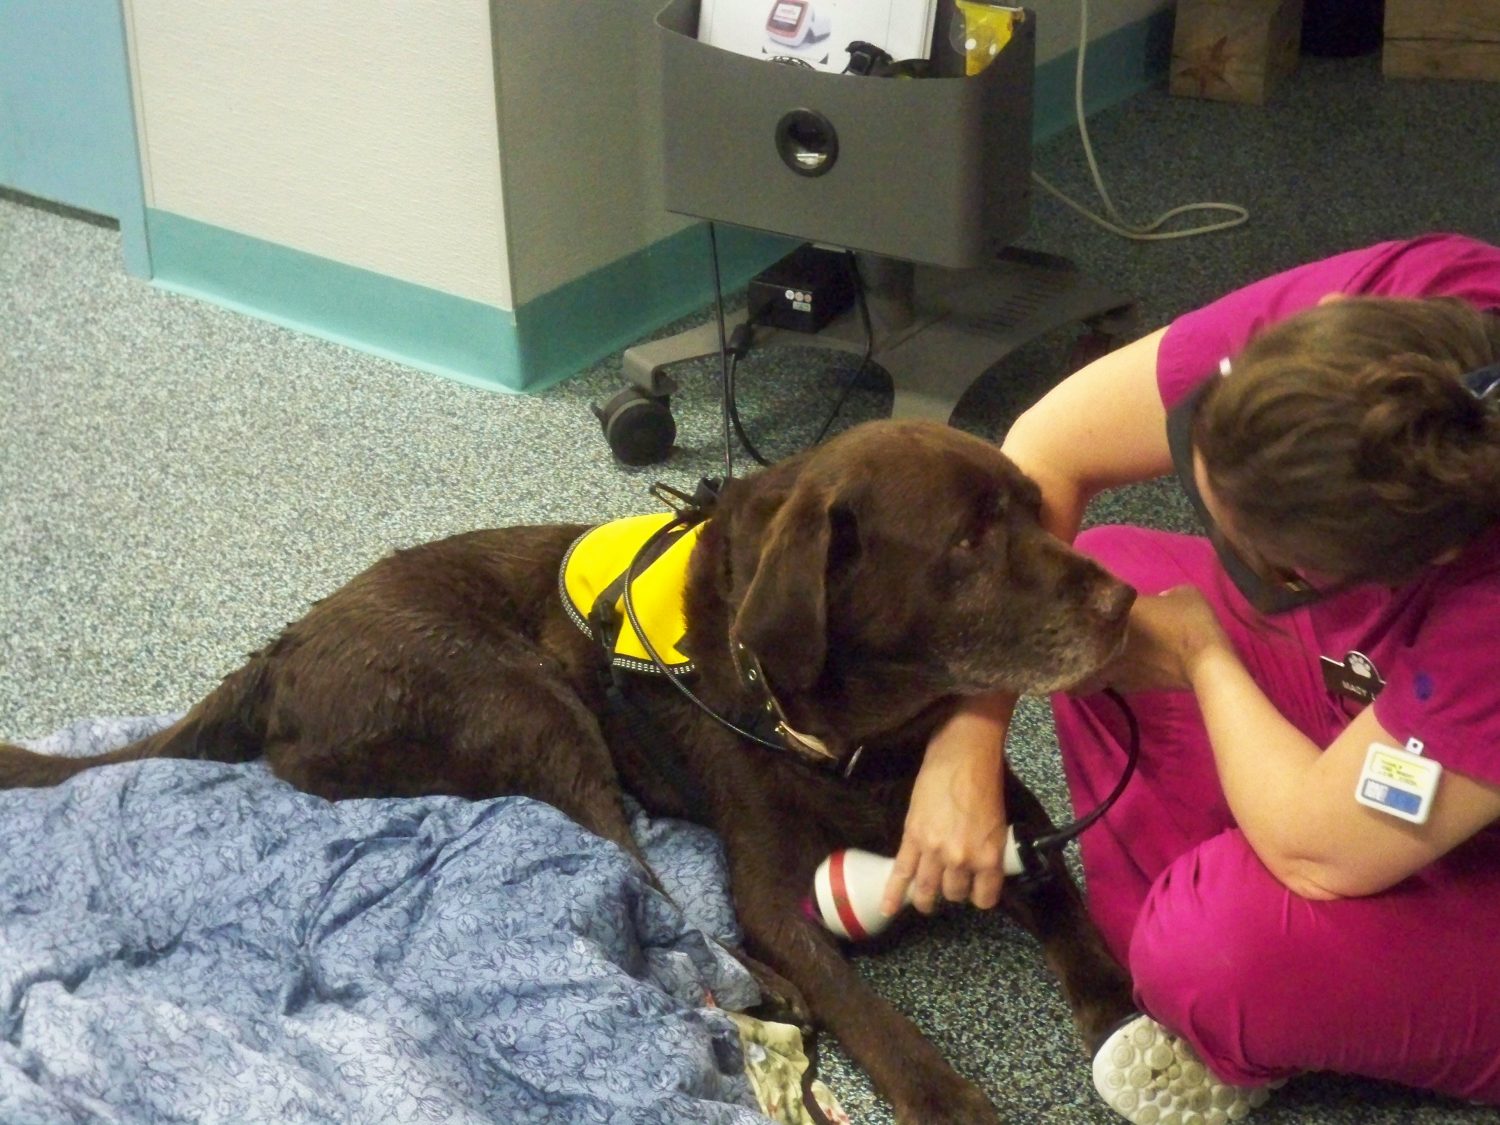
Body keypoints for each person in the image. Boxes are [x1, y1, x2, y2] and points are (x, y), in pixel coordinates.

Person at [879, 232, 1500, 1120]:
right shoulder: (1389, 316)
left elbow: (1322, 853)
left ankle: (1265, 984)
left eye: (1269, 565)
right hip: (1404, 709)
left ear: (1425, 560)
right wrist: (968, 739)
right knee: (1099, 591)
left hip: (1422, 787)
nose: (1225, 552)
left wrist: (1206, 653)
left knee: (1210, 955)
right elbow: (1047, 447)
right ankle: (1258, 966)